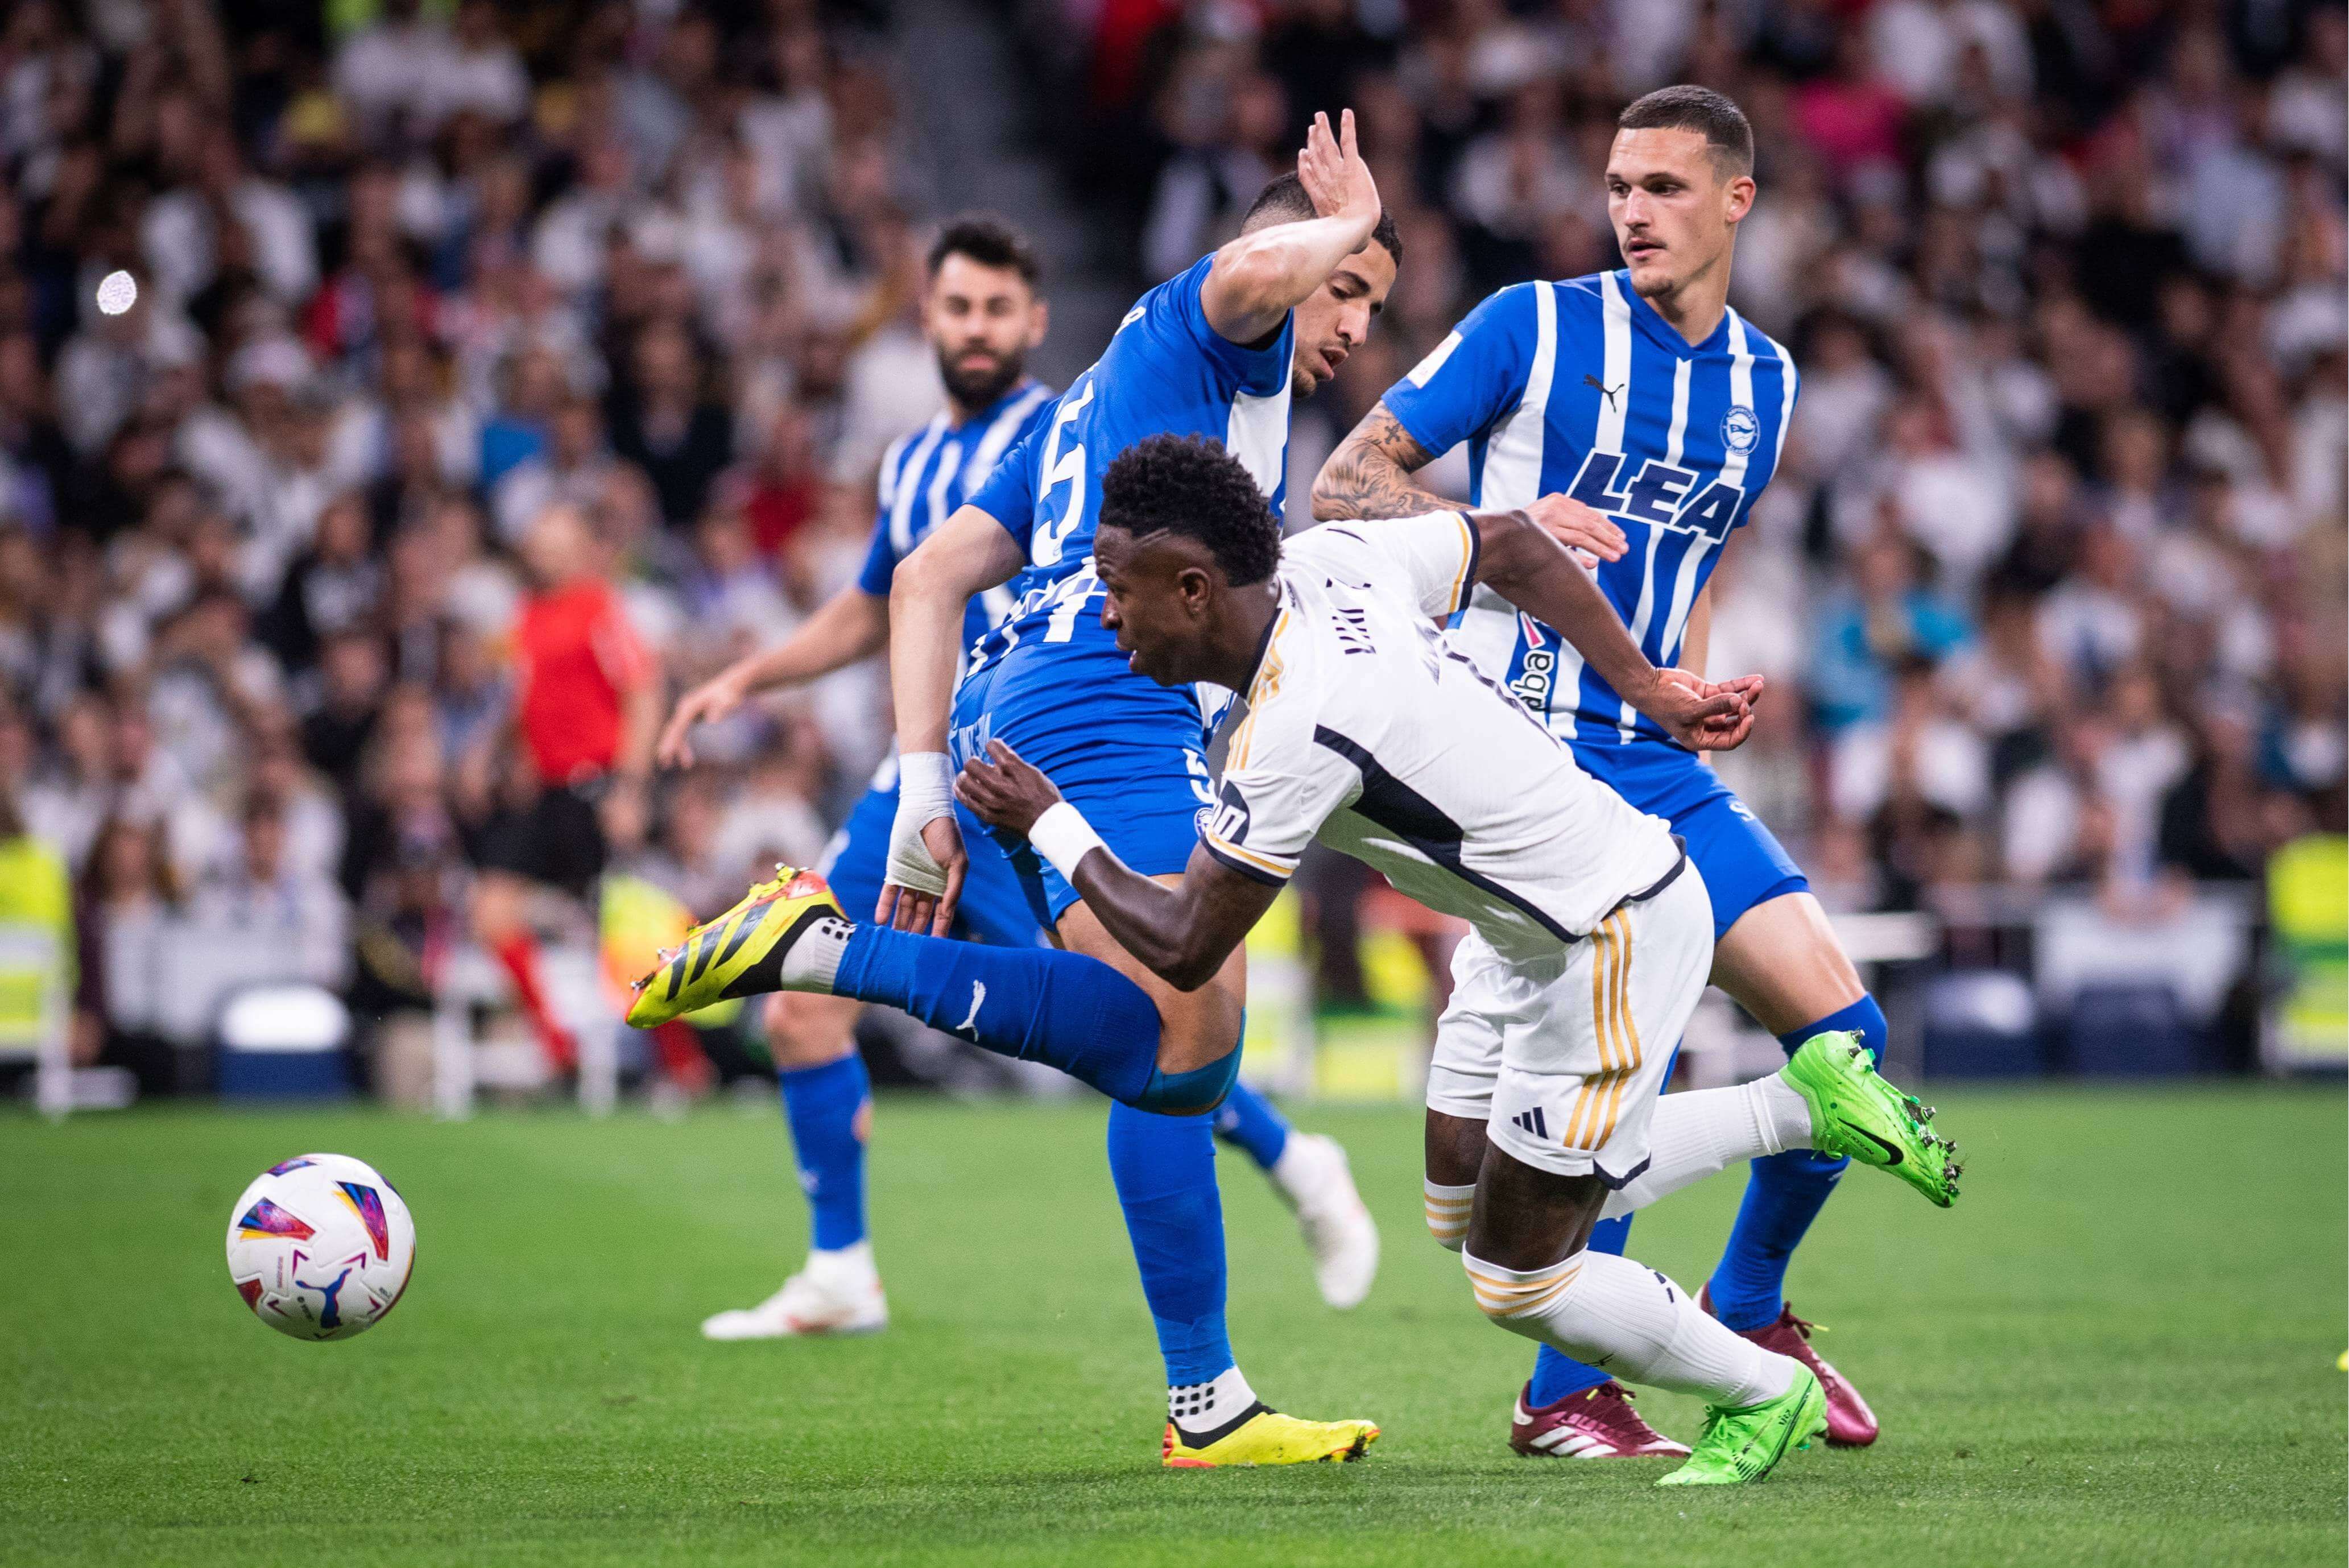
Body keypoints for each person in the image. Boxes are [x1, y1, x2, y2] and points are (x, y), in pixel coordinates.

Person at [635, 433, 1959, 1485]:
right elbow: (1504, 543)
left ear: (1196, 587)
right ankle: (1797, 1105)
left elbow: (1185, 944)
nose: (1107, 616)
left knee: (1518, 1276)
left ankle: (1760, 1370)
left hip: (1597, 935)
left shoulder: (1293, 732)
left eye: (1119, 587)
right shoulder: (1335, 560)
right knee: (1456, 1200)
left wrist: (1053, 823)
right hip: (1521, 927)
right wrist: (1649, 681)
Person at [643, 111, 1405, 1468]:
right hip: (1106, 695)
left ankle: (1207, 1404)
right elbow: (1243, 280)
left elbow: (932, 578)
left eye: (1367, 293)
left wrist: (931, 789)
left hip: (1029, 698)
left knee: (1171, 1042)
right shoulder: (1203, 325)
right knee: (1186, 1030)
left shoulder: (1078, 403)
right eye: (1350, 286)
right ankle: (826, 950)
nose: (1352, 316)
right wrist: (1338, 227)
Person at [1310, 83, 1899, 1457]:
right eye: (1620, 185)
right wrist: (1499, 523)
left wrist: (1685, 684)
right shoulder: (1533, 324)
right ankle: (1564, 1376)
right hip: (1516, 760)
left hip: (1652, 750)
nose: (1632, 209)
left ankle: (1745, 1308)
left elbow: (1689, 571)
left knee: (1849, 1041)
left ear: (1737, 199)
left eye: (1666, 187)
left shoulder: (1771, 380)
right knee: (1542, 1147)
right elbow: (1345, 482)